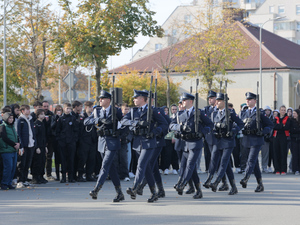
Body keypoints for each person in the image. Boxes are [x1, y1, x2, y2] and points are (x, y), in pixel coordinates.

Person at [120, 89, 168, 203]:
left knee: (141, 164)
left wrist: (155, 132)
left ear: (142, 98)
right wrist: (136, 123)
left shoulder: (153, 111)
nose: (134, 100)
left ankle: (135, 187)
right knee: (146, 169)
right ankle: (154, 193)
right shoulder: (133, 111)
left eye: (136, 98)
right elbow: (123, 121)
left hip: (149, 142)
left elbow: (164, 124)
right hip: (137, 143)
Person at [170, 92, 213, 199]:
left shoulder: (199, 113)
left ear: (190, 101)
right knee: (190, 168)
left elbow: (210, 124)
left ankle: (183, 184)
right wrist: (179, 128)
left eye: (184, 100)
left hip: (196, 142)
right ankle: (198, 191)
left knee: (190, 165)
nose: (182, 102)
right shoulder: (180, 114)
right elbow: (171, 125)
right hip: (185, 143)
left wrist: (202, 132)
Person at [85, 90, 125, 202]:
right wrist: (98, 119)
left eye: (102, 98)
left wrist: (120, 134)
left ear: (109, 100)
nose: (100, 100)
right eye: (100, 98)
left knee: (105, 165)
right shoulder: (97, 111)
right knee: (111, 168)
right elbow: (86, 121)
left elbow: (124, 124)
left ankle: (96, 189)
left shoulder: (116, 111)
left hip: (113, 141)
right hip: (102, 142)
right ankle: (120, 193)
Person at [203, 93, 243, 195]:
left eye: (219, 101)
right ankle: (212, 179)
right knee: (215, 161)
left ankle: (216, 182)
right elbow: (211, 126)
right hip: (218, 141)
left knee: (224, 162)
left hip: (228, 141)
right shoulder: (214, 114)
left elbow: (240, 124)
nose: (217, 102)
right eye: (216, 100)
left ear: (224, 102)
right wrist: (213, 130)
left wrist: (234, 131)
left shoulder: (231, 113)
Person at [239, 92, 273, 192]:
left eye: (250, 99)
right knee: (255, 163)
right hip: (246, 140)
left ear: (255, 101)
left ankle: (245, 178)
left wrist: (263, 132)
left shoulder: (260, 113)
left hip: (256, 139)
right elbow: (240, 124)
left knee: (251, 160)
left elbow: (270, 125)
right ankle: (260, 184)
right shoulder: (243, 113)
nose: (248, 101)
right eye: (247, 100)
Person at [55, 103, 79, 183]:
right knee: (63, 160)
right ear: (64, 109)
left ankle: (71, 177)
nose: (68, 110)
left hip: (71, 142)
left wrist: (74, 139)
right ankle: (63, 177)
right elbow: (58, 130)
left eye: (70, 109)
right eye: (67, 108)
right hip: (63, 142)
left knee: (71, 159)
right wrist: (59, 140)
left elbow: (76, 130)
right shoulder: (61, 119)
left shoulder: (73, 118)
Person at [77, 101, 97, 182]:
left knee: (91, 158)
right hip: (84, 141)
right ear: (86, 108)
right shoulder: (82, 117)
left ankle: (89, 174)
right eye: (90, 107)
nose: (91, 109)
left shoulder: (94, 117)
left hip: (92, 140)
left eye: (92, 107)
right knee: (83, 158)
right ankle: (80, 175)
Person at [17, 105, 36, 188]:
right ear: (22, 111)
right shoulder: (20, 120)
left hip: (31, 144)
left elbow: (32, 131)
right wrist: (21, 145)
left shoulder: (30, 119)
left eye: (29, 109)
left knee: (28, 163)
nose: (28, 111)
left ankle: (25, 179)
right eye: (26, 110)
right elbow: (19, 134)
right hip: (24, 145)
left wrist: (34, 141)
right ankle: (20, 180)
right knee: (22, 164)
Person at [0, 113, 19, 190]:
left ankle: (9, 182)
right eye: (9, 118)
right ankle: (4, 183)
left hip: (13, 150)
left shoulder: (12, 127)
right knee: (8, 167)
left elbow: (16, 136)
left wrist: (18, 143)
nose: (11, 120)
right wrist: (14, 144)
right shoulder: (2, 126)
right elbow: (4, 138)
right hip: (6, 150)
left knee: (13, 168)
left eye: (12, 118)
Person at [272, 105, 291, 175]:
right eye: (282, 110)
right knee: (276, 153)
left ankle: (283, 169)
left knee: (283, 153)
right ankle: (277, 169)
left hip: (284, 137)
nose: (283, 111)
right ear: (279, 111)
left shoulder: (288, 119)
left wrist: (279, 126)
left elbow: (287, 127)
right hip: (276, 137)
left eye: (284, 110)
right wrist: (282, 126)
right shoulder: (275, 118)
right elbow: (274, 126)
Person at [31, 109, 48, 184]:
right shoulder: (36, 124)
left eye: (43, 114)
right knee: (37, 162)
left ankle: (41, 176)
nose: (43, 115)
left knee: (42, 161)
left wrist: (45, 146)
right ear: (37, 115)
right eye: (41, 114)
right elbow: (35, 137)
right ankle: (35, 177)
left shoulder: (42, 123)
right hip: (38, 146)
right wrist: (36, 147)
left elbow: (44, 137)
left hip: (42, 145)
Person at [42, 101, 55, 181]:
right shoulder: (39, 114)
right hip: (42, 138)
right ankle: (41, 174)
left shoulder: (51, 114)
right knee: (42, 157)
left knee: (49, 157)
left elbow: (52, 125)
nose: (46, 108)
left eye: (47, 106)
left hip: (50, 138)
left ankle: (49, 174)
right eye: (44, 106)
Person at [50, 105, 63, 181]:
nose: (59, 112)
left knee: (63, 157)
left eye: (60, 110)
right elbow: (52, 126)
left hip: (62, 139)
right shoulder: (53, 117)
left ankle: (64, 173)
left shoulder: (63, 118)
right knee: (57, 158)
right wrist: (56, 120)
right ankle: (57, 175)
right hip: (55, 139)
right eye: (57, 110)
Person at [260, 106, 273, 173]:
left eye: (269, 110)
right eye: (266, 110)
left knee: (266, 153)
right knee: (261, 153)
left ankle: (266, 166)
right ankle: (262, 166)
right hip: (261, 137)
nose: (267, 111)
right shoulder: (262, 118)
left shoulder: (272, 118)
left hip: (268, 138)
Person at [290, 109, 300, 175]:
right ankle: (295, 169)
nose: (293, 115)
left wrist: (296, 129)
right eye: (293, 113)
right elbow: (291, 130)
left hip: (299, 140)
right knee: (295, 155)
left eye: (295, 113)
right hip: (293, 140)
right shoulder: (291, 121)